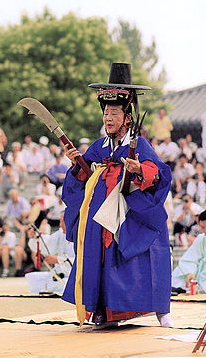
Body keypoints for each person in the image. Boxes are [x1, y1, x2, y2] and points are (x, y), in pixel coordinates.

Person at [61, 63, 173, 328]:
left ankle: (160, 310)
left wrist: (141, 170)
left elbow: (160, 174)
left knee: (148, 249)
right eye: (106, 113)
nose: (108, 118)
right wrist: (77, 165)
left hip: (131, 211)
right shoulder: (99, 146)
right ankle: (104, 310)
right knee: (97, 253)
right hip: (101, 214)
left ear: (127, 117)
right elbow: (84, 176)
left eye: (114, 113)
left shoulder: (140, 144)